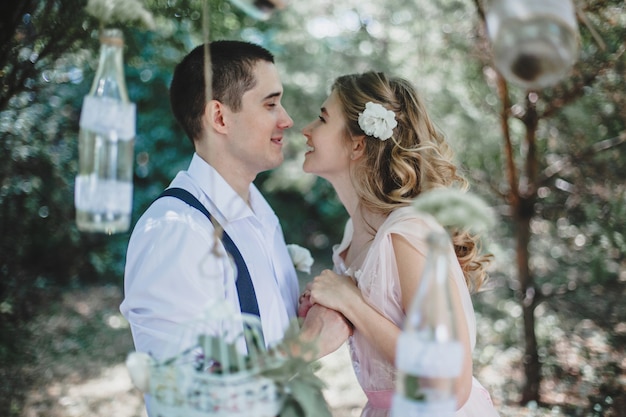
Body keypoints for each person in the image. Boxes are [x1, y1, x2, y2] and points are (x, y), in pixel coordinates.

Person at [120, 40, 350, 369]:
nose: (287, 120)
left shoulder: (261, 211)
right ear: (220, 117)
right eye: (271, 105)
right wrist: (308, 344)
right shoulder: (178, 234)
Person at [298, 71, 500, 417]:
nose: (306, 129)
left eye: (322, 118)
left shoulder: (410, 232)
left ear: (358, 143)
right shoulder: (353, 236)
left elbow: (450, 382)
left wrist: (351, 302)